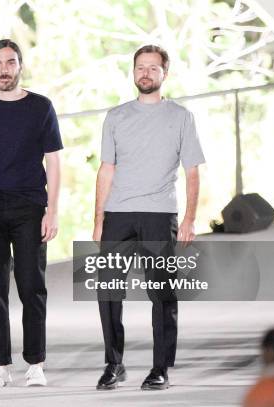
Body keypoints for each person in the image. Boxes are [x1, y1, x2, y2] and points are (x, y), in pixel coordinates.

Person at [92, 44, 205, 391]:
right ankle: (114, 363)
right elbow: (106, 169)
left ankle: (160, 368)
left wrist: (189, 219)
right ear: (133, 72)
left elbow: (192, 171)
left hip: (160, 214)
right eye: (140, 67)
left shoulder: (181, 116)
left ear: (164, 74)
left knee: (162, 293)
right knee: (108, 291)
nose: (145, 73)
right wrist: (98, 220)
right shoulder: (116, 116)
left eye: (152, 68)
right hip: (118, 214)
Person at [0, 39, 63, 388]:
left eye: (10, 62)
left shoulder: (41, 107)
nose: (4, 69)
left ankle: (35, 362)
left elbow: (54, 161)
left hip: (30, 205)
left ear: (21, 65)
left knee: (32, 284)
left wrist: (52, 211)